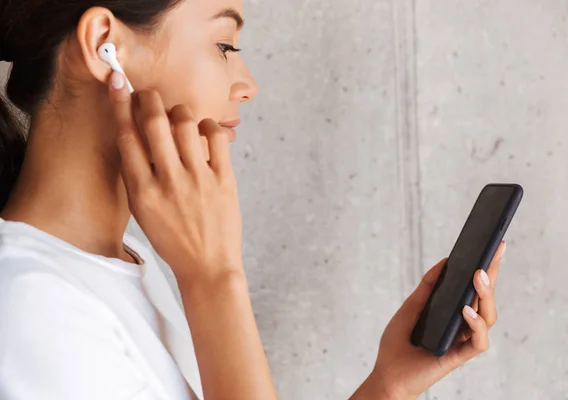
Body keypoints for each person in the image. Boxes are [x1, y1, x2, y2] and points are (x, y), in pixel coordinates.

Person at [0, 0, 506, 399]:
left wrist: (389, 386)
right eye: (224, 45)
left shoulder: (130, 259)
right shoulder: (27, 304)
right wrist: (214, 277)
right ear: (104, 44)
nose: (247, 85)